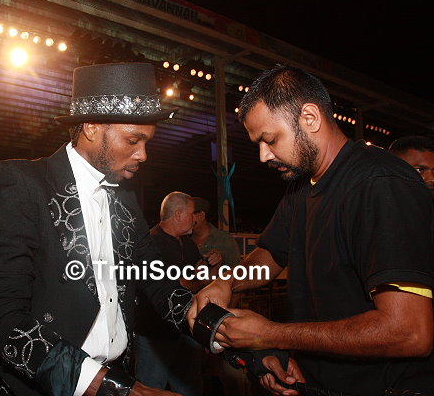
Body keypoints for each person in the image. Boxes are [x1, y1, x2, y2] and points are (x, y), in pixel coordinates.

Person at [187, 64, 434, 396]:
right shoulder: (301, 188)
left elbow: (409, 332)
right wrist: (226, 281)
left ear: (310, 118)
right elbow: (268, 256)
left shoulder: (380, 183)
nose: (263, 156)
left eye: (270, 140)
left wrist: (269, 334)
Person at [0, 62, 196, 396]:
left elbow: (155, 280)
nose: (143, 154)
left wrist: (212, 323)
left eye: (147, 142)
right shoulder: (23, 184)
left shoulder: (126, 197)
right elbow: (0, 317)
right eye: (133, 140)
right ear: (91, 128)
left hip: (118, 373)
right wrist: (115, 388)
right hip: (47, 385)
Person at [134, 192, 220, 396]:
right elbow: (175, 286)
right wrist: (202, 280)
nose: (195, 219)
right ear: (178, 214)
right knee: (151, 390)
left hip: (185, 330)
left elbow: (201, 274)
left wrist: (214, 262)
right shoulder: (152, 243)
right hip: (156, 335)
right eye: (192, 213)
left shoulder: (186, 242)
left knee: (190, 388)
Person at [190, 197, 251, 396]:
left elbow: (239, 280)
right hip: (191, 320)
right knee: (195, 375)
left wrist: (227, 318)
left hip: (221, 321)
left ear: (200, 215)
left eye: (189, 213)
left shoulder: (224, 241)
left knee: (232, 375)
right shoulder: (184, 239)